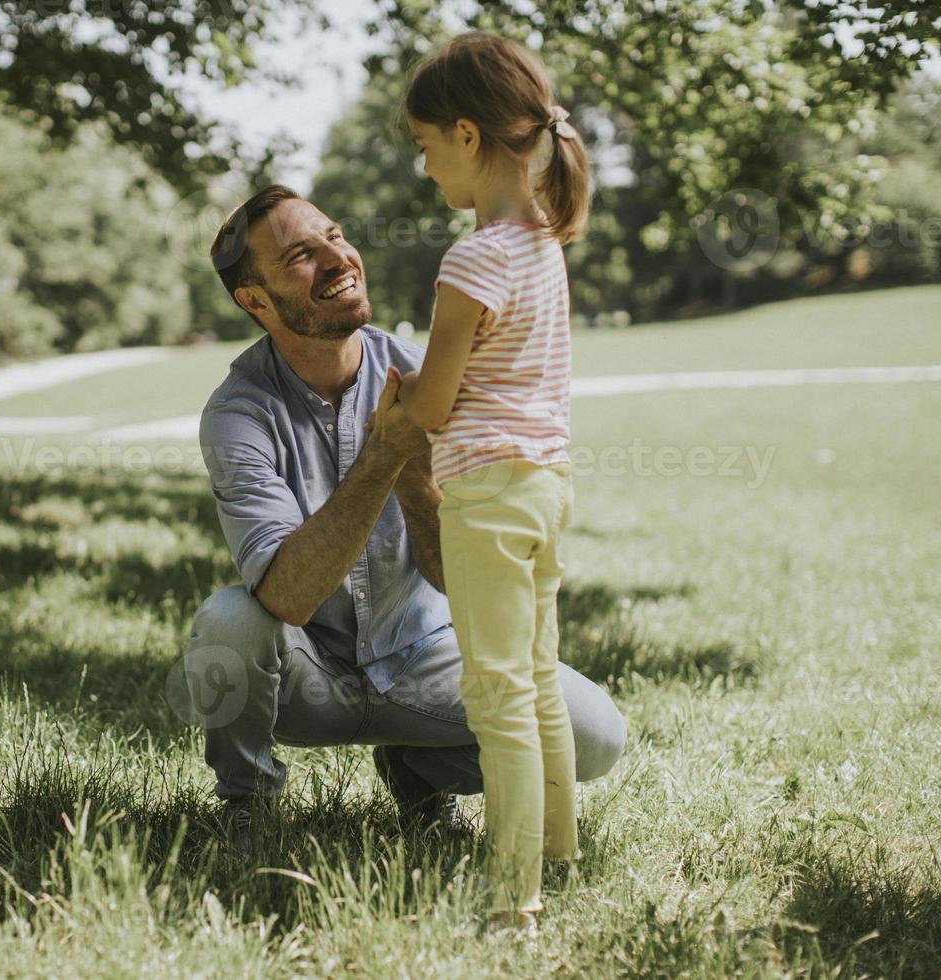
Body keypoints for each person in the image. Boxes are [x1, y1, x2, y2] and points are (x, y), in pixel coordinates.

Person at [183, 184, 626, 868]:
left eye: (335, 236)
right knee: (228, 620)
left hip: (425, 655)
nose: (337, 259)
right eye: (302, 255)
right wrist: (384, 453)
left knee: (594, 737)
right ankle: (247, 803)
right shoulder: (239, 413)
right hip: (311, 676)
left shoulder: (429, 378)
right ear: (257, 302)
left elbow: (465, 576)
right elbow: (285, 599)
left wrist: (417, 479)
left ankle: (419, 771)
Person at [375, 32, 593, 937]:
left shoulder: (472, 260)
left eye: (426, 147)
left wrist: (398, 399)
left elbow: (434, 406)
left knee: (496, 692)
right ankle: (555, 849)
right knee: (536, 676)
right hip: (544, 486)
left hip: (487, 498)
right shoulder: (543, 243)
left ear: (467, 136)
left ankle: (514, 901)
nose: (426, 170)